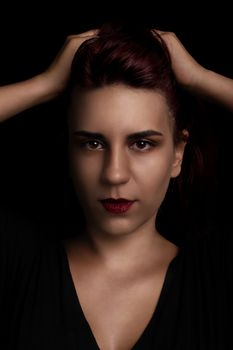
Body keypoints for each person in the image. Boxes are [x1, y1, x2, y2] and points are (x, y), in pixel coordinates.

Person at [0, 22, 232, 350]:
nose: (114, 174)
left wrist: (200, 78)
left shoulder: (218, 273)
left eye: (141, 144)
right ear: (69, 149)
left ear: (177, 154)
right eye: (92, 144)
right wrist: (43, 85)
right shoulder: (19, 265)